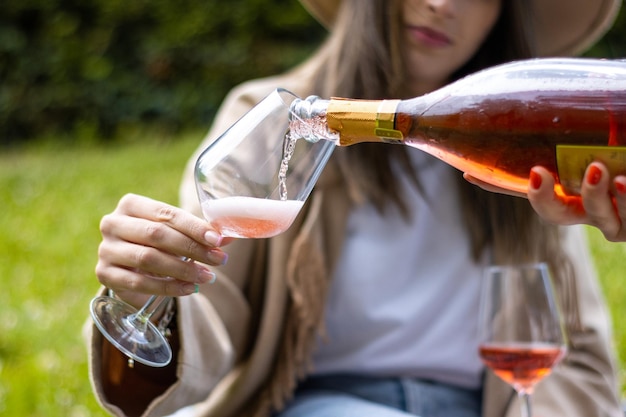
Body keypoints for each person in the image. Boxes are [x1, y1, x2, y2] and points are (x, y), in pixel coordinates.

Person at [86, 0, 625, 416]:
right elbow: (208, 301)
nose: (441, 3)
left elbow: (576, 358)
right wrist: (149, 289)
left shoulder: (528, 145)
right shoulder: (280, 121)